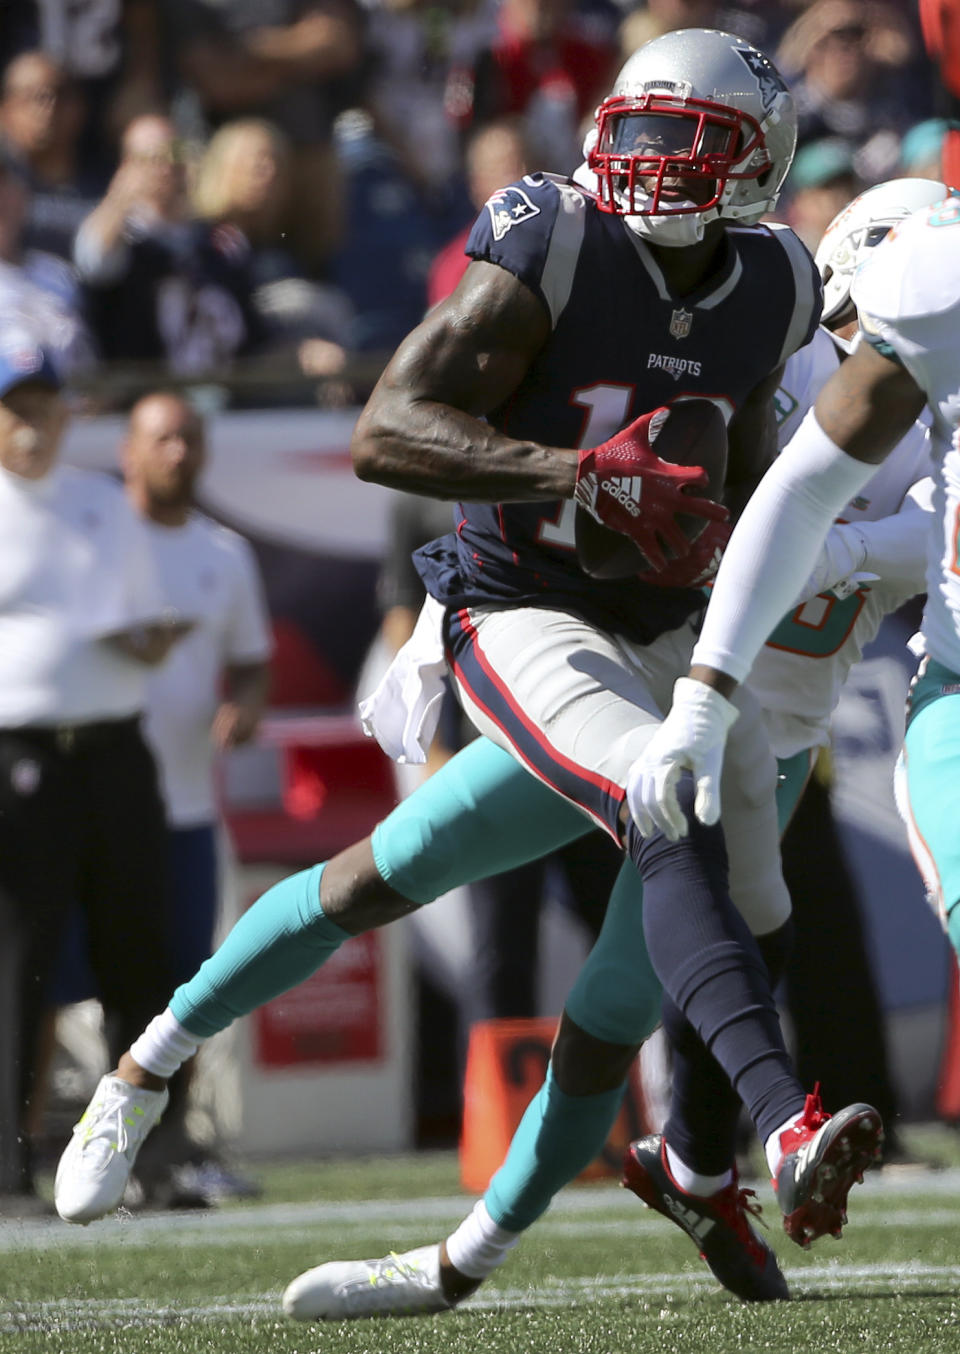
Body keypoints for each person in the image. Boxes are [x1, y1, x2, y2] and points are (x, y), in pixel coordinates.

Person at [55, 27, 882, 1297]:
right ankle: (778, 1125)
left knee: (444, 889)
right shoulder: (551, 239)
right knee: (662, 816)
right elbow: (388, 428)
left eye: (691, 142)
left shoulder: (774, 282)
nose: (654, 166)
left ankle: (475, 1253)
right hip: (522, 612)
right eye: (640, 132)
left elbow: (768, 484)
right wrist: (577, 475)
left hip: (667, 637)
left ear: (759, 164)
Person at [629, 193, 960, 978]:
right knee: (421, 856)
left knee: (739, 937)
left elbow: (921, 539)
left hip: (782, 730)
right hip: (656, 668)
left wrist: (844, 554)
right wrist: (706, 696)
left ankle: (779, 1099)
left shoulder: (915, 445)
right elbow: (800, 493)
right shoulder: (895, 314)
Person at [0, 340, 189, 1216]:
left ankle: (151, 1159)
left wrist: (144, 637)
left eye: (42, 403)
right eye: (14, 405)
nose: (29, 421)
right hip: (19, 762)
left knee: (137, 955)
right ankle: (9, 1169)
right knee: (18, 964)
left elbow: (145, 622)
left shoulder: (101, 505)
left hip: (114, 750)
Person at [74, 113, 262, 375]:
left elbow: (253, 329)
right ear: (126, 165)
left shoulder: (219, 240)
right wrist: (121, 198)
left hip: (226, 391)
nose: (164, 166)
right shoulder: (120, 234)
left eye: (174, 153)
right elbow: (93, 262)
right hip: (147, 395)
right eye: (149, 157)